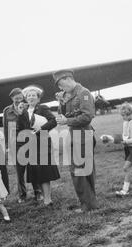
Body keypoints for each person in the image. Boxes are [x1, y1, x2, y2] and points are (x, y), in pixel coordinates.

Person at [53, 69, 97, 213]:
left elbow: (87, 116)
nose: (60, 88)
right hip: (75, 135)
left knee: (79, 171)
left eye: (61, 84)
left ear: (67, 79)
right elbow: (63, 115)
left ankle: (88, 205)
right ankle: (90, 203)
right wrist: (61, 103)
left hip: (83, 134)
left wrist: (68, 120)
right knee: (84, 170)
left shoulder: (83, 93)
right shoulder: (67, 94)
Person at [16, 85, 60, 206]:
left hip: (42, 142)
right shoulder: (24, 111)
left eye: (33, 95)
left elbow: (53, 121)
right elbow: (20, 128)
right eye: (28, 95)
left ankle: (47, 199)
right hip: (30, 143)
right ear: (26, 98)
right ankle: (45, 197)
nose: (31, 97)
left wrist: (40, 129)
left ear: (38, 98)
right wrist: (19, 114)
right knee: (37, 171)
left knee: (44, 171)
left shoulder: (42, 108)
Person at [3, 88, 42, 203]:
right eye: (16, 99)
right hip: (14, 143)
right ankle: (22, 195)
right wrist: (7, 145)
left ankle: (37, 192)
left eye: (20, 98)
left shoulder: (27, 108)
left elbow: (30, 125)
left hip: (28, 140)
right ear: (12, 99)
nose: (18, 100)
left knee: (33, 167)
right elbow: (6, 128)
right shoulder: (7, 111)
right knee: (19, 171)